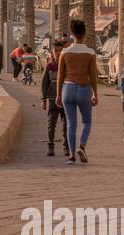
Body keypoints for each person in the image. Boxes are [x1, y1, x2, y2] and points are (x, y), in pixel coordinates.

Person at [56, 18, 99, 164]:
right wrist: (96, 94)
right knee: (86, 121)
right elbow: (93, 76)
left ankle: (72, 156)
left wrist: (57, 95)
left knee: (70, 123)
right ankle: (82, 146)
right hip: (84, 89)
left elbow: (60, 75)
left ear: (72, 34)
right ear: (84, 34)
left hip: (67, 88)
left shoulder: (65, 52)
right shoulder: (90, 53)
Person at [41, 38, 69, 157]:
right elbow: (44, 83)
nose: (58, 52)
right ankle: (50, 146)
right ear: (52, 52)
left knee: (66, 124)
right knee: (51, 123)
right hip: (53, 99)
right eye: (56, 50)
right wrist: (43, 99)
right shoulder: (50, 66)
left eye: (60, 50)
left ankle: (66, 147)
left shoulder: (69, 66)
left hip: (66, 99)